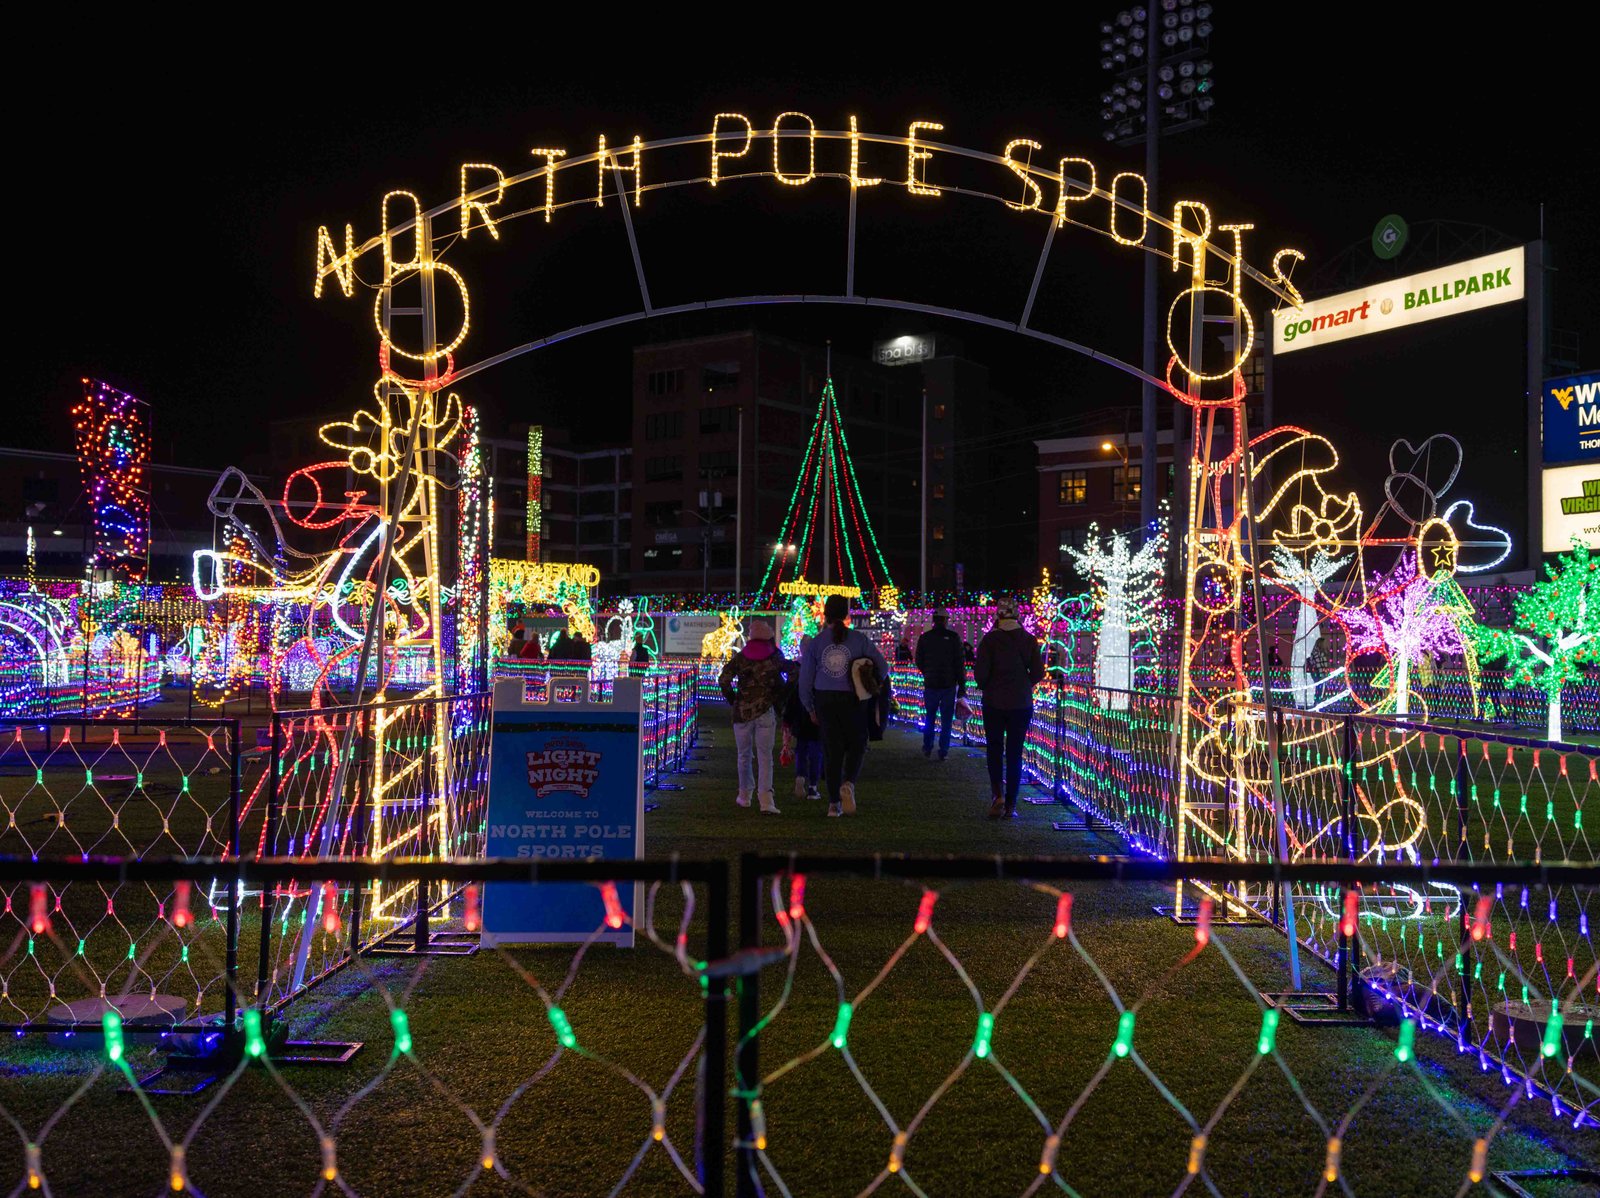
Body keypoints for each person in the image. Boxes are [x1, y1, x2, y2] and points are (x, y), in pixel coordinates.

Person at [800, 595, 888, 818]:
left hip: (825, 700)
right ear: (846, 614)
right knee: (858, 744)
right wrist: (873, 684)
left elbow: (805, 679)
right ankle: (849, 782)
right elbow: (883, 666)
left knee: (832, 751)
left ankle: (834, 804)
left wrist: (809, 708)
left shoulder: (816, 642)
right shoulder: (859, 639)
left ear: (826, 614)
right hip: (853, 699)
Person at [974, 598, 1044, 820]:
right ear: (1018, 616)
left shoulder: (989, 640)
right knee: (1015, 752)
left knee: (994, 749)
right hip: (1020, 704)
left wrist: (990, 685)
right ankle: (1011, 803)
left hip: (994, 702)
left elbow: (980, 675)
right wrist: (1023, 684)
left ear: (998, 616)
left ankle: (997, 795)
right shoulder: (1029, 639)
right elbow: (1039, 672)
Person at [718, 620, 789, 813]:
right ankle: (766, 801)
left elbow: (723, 679)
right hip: (765, 711)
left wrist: (733, 699)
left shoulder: (741, 657)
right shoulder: (775, 656)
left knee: (744, 755)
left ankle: (744, 796)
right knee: (765, 757)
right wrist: (780, 697)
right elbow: (792, 673)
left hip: (742, 712)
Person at [915, 608, 966, 761]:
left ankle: (927, 746)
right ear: (946, 620)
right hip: (948, 684)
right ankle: (943, 750)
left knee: (930, 717)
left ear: (934, 620)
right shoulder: (953, 638)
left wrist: (927, 672)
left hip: (931, 683)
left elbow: (919, 660)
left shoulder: (925, 638)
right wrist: (962, 686)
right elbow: (959, 663)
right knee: (946, 720)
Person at [781, 654, 823, 801]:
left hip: (800, 723)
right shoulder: (820, 683)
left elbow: (790, 705)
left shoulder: (799, 684)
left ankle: (800, 776)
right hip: (816, 723)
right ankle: (812, 787)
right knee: (816, 753)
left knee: (801, 751)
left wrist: (787, 722)